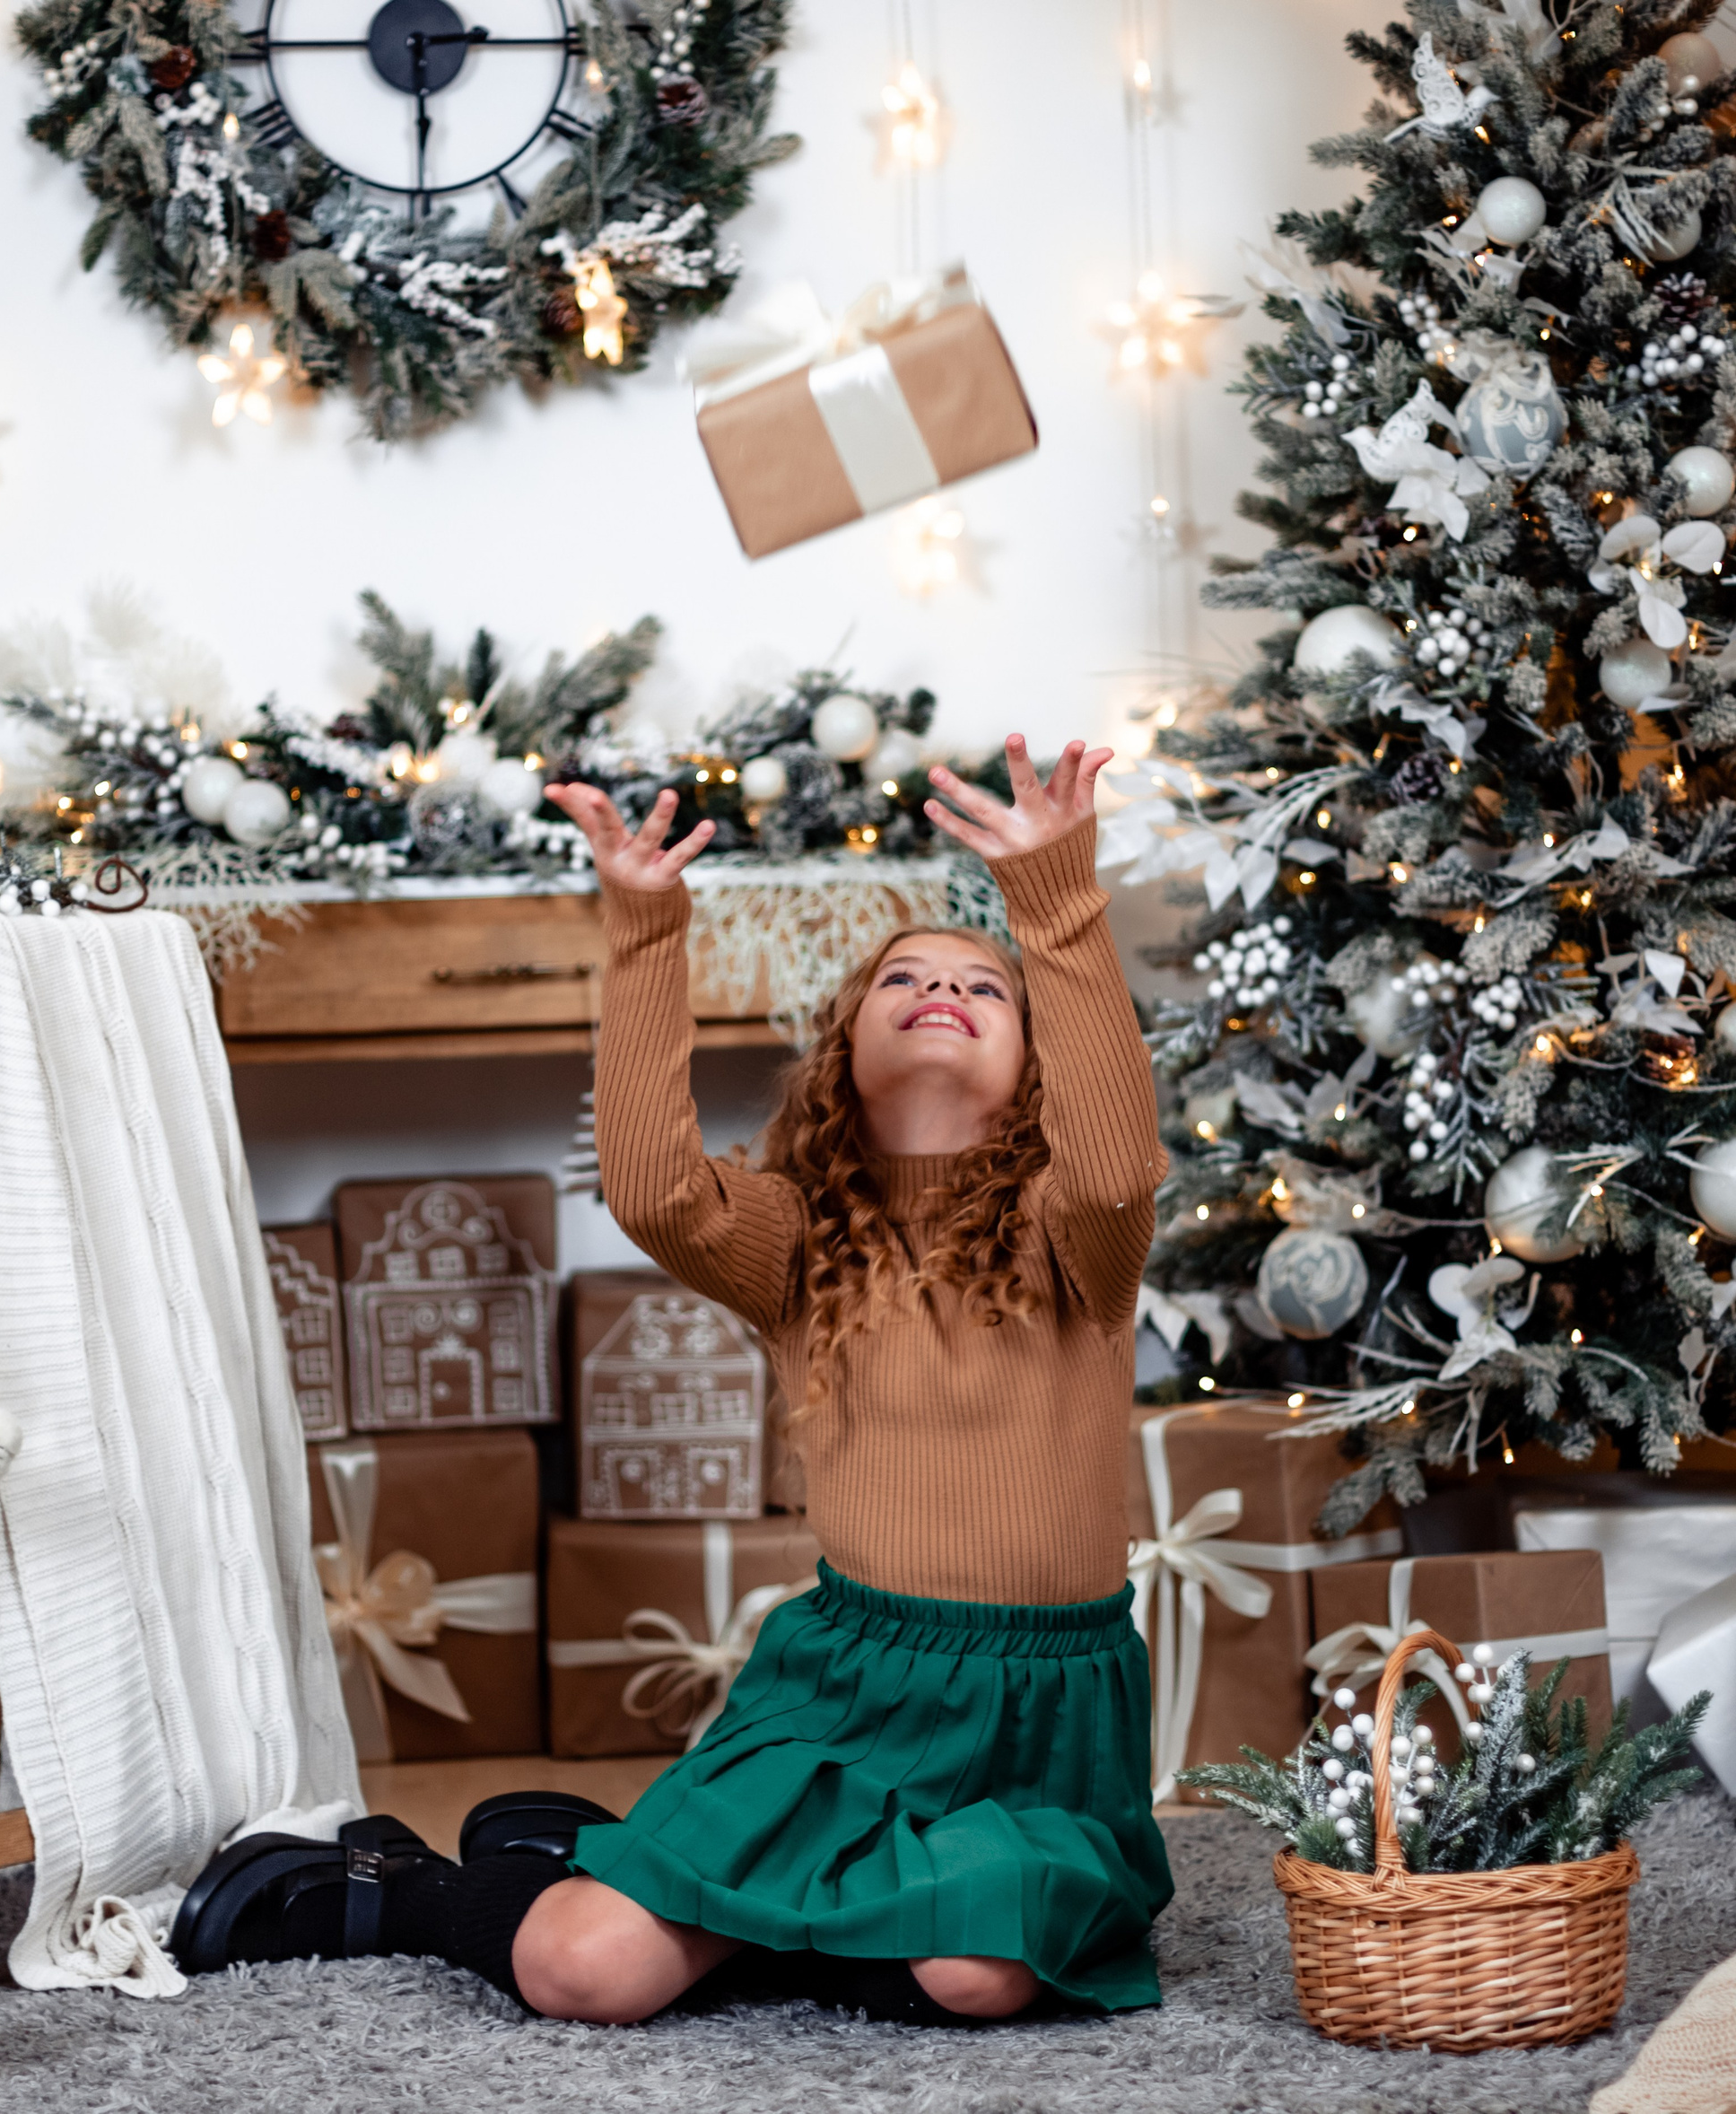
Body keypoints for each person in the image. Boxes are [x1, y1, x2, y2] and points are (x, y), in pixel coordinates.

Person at [173, 735, 1174, 2029]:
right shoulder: (799, 1241)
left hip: (1037, 1723)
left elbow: (1112, 1160)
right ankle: (400, 1882)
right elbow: (650, 1187)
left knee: (975, 1977)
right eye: (904, 980)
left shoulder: (1077, 1236)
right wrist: (647, 934)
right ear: (843, 1058)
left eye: (984, 986)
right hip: (844, 1695)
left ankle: (696, 1881)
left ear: (1039, 1064)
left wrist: (1057, 907)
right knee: (579, 1974)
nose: (942, 987)